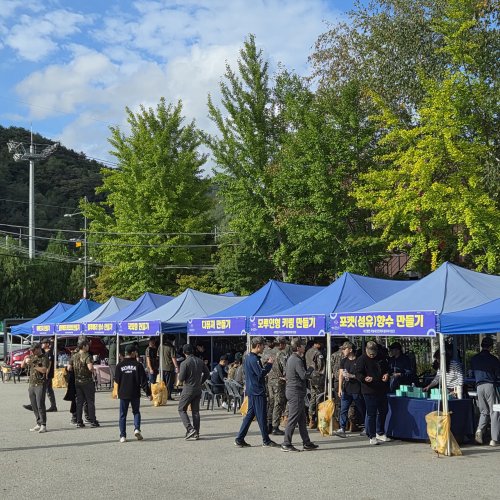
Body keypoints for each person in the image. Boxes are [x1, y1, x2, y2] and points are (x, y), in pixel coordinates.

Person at [234, 337, 279, 448]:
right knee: (261, 416)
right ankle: (266, 440)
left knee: (250, 415)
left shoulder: (247, 357)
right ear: (258, 346)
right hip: (257, 391)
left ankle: (239, 439)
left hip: (252, 389)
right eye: (263, 345)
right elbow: (260, 373)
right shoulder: (254, 359)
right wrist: (269, 364)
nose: (264, 348)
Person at [281, 338, 318, 452]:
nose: (304, 347)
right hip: (295, 392)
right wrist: (311, 368)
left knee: (302, 420)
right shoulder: (296, 360)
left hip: (294, 391)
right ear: (298, 348)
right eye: (302, 345)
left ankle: (306, 442)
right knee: (293, 419)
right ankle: (286, 443)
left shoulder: (291, 358)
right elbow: (303, 375)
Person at [114, 344, 152, 443]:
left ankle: (123, 436)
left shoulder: (119, 365)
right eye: (135, 352)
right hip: (135, 392)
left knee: (123, 414)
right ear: (132, 353)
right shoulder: (138, 365)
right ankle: (137, 429)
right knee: (136, 412)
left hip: (123, 392)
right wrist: (148, 393)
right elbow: (143, 381)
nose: (136, 353)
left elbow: (116, 380)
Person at [355, 341, 390, 445]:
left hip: (381, 388)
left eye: (374, 353)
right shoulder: (361, 359)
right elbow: (358, 373)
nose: (372, 355)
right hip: (368, 390)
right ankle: (372, 435)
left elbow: (387, 369)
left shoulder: (381, 357)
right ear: (366, 350)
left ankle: (380, 432)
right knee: (371, 413)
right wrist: (364, 378)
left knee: (384, 411)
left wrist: (386, 374)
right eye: (370, 353)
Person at [470, 336, 500, 447]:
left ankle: (479, 430)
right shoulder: (494, 359)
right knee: (495, 411)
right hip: (490, 386)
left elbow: (471, 373)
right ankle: (494, 439)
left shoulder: (474, 359)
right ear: (491, 347)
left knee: (484, 411)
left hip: (479, 387)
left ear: (482, 345)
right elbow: (498, 375)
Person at [177, 344, 210, 440]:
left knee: (181, 409)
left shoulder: (184, 363)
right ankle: (196, 432)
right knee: (195, 411)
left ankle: (190, 429)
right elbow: (207, 373)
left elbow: (181, 378)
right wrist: (201, 382)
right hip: (198, 389)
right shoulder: (200, 361)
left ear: (184, 352)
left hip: (188, 388)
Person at [336, 341, 363, 438]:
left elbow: (361, 375)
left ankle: (366, 427)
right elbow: (340, 375)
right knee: (343, 409)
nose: (343, 351)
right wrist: (339, 388)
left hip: (357, 389)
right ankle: (342, 428)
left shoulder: (359, 361)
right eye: (342, 349)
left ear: (350, 350)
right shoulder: (343, 361)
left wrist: (352, 376)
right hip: (346, 389)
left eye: (344, 349)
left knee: (361, 408)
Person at [70, 339, 100, 428]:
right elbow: (90, 367)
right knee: (90, 401)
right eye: (87, 345)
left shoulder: (74, 356)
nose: (88, 347)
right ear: (83, 346)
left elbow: (69, 368)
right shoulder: (87, 356)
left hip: (77, 382)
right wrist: (94, 370)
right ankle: (93, 421)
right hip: (87, 381)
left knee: (79, 402)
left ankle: (79, 421)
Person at [21, 343, 49, 433]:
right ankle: (38, 423)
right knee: (34, 405)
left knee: (40, 404)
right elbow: (22, 366)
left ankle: (43, 425)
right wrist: (25, 359)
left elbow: (44, 370)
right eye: (31, 350)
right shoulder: (32, 356)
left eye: (34, 350)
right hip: (32, 384)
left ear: (38, 348)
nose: (32, 352)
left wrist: (33, 365)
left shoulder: (44, 357)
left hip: (40, 384)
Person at [267, 338, 288, 436]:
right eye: (284, 344)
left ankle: (269, 425)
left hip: (270, 380)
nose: (285, 346)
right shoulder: (281, 354)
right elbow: (285, 368)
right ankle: (275, 427)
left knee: (271, 402)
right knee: (278, 403)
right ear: (280, 344)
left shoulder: (268, 352)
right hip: (279, 381)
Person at [305, 338, 325, 429]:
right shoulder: (318, 353)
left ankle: (311, 419)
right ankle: (319, 419)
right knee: (319, 398)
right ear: (317, 343)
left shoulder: (308, 352)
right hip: (318, 378)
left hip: (311, 377)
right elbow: (321, 367)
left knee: (312, 398)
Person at [41, 338, 57, 412]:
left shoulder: (49, 353)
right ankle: (53, 406)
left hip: (48, 374)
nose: (42, 344)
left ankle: (40, 406)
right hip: (47, 374)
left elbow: (49, 364)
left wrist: (46, 374)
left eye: (43, 343)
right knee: (49, 390)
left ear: (47, 344)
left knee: (43, 390)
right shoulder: (45, 352)